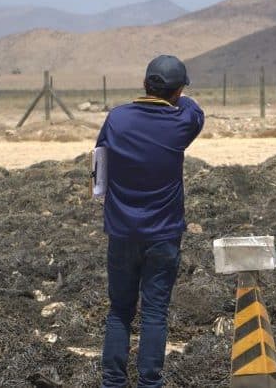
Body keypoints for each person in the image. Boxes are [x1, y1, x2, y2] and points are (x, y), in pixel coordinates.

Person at [96, 55, 204, 388]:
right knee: (155, 312)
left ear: (144, 84)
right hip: (164, 233)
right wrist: (178, 97)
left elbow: (99, 166)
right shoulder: (182, 122)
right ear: (178, 91)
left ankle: (113, 382)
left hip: (122, 230)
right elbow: (194, 109)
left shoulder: (117, 119)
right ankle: (149, 382)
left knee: (119, 310)